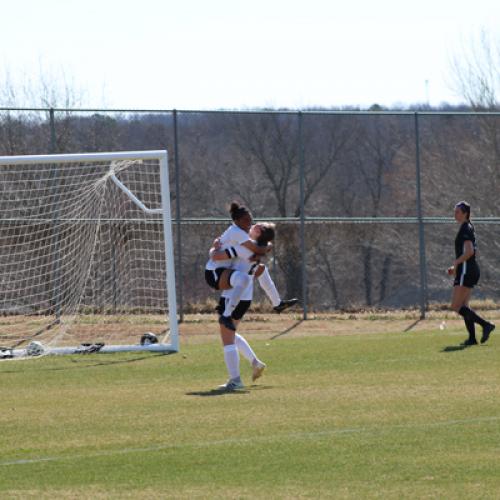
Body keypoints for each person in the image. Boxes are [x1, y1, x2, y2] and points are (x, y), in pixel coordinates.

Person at [205, 201, 298, 331]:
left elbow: (262, 245)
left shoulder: (243, 232)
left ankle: (277, 303)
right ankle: (226, 314)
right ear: (237, 220)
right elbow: (216, 256)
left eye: (251, 220)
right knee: (246, 277)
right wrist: (213, 251)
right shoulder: (239, 233)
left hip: (230, 276)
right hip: (215, 273)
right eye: (247, 220)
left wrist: (264, 249)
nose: (252, 223)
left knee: (260, 270)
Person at [210, 222, 276, 391]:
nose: (252, 224)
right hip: (243, 296)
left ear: (259, 232)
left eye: (257, 225)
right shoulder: (255, 247)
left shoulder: (246, 247)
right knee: (230, 334)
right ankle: (255, 363)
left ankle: (235, 380)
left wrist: (214, 247)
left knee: (227, 338)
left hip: (236, 295)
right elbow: (267, 246)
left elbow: (216, 256)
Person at [447, 201, 495, 346]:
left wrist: (456, 263)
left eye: (458, 212)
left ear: (465, 214)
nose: (455, 214)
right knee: (464, 306)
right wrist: (455, 266)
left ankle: (486, 325)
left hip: (467, 271)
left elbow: (469, 252)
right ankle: (472, 339)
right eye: (454, 211)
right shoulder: (467, 227)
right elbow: (467, 253)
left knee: (456, 306)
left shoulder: (466, 229)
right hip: (468, 269)